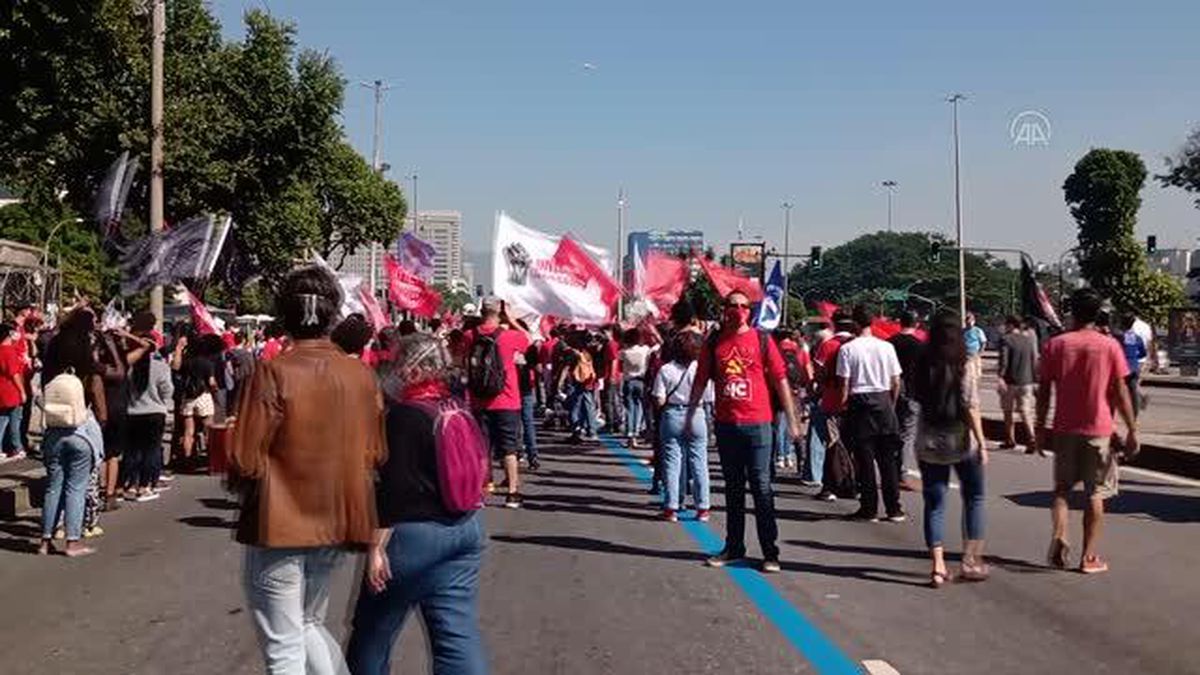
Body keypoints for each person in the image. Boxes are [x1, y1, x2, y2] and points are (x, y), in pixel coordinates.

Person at [230, 265, 386, 673]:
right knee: (308, 622)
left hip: (279, 522)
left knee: (284, 647)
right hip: (338, 518)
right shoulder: (361, 375)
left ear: (285, 315)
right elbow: (376, 452)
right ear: (332, 315)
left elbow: (245, 458)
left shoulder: (273, 371)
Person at [345, 333, 488, 675]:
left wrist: (376, 548)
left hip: (414, 536)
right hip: (466, 527)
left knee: (372, 633)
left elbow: (394, 490)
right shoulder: (454, 405)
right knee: (456, 633)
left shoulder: (405, 416)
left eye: (398, 363)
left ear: (413, 369)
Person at [689, 291, 800, 573]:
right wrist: (691, 414)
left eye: (744, 306)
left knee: (762, 488)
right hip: (727, 425)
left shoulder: (762, 340)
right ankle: (734, 547)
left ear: (749, 311)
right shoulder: (714, 342)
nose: (738, 310)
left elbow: (780, 380)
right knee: (733, 489)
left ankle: (770, 552)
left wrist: (793, 419)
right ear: (724, 309)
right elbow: (701, 380)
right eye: (733, 305)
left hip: (759, 425)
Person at [1035, 288, 1137, 575]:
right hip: (1099, 430)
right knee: (1095, 494)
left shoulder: (1056, 345)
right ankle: (1088, 557)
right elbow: (1120, 391)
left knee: (1061, 491)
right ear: (1098, 315)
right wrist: (1132, 429)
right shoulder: (1109, 346)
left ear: (1072, 313)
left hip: (1065, 428)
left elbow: (1044, 392)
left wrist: (1040, 429)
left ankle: (1059, 535)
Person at [913, 313, 989, 588]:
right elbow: (970, 405)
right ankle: (970, 560)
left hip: (929, 440)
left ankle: (938, 566)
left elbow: (916, 396)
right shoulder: (964, 363)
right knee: (975, 497)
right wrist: (981, 441)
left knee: (934, 504)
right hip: (960, 440)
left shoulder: (922, 363)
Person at [37, 308, 107, 556]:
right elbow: (101, 381)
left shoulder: (53, 352)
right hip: (81, 426)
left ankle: (45, 540)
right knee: (76, 486)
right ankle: (73, 541)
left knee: (53, 486)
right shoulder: (86, 359)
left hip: (54, 427)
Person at [837, 304, 906, 523]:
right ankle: (894, 508)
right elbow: (896, 381)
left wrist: (842, 408)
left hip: (860, 405)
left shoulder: (848, 349)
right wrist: (891, 403)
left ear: (855, 324)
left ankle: (869, 508)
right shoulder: (886, 347)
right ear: (873, 322)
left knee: (865, 462)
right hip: (884, 402)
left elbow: (844, 385)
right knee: (888, 461)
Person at [466, 298, 530, 509]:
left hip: (478, 399)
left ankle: (481, 491)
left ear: (481, 311)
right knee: (509, 448)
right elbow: (528, 340)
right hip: (507, 399)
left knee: (482, 448)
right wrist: (511, 319)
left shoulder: (470, 335)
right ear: (500, 313)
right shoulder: (510, 336)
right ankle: (513, 492)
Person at [653, 332, 713, 522]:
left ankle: (671, 507)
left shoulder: (666, 370)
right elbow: (710, 397)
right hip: (697, 414)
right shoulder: (703, 369)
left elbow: (659, 398)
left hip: (673, 414)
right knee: (699, 462)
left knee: (672, 462)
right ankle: (703, 507)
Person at [121, 313, 173, 502]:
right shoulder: (160, 367)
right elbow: (168, 391)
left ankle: (129, 485)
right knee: (151, 450)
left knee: (132, 451)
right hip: (154, 412)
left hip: (132, 412)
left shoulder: (129, 367)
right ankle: (145, 486)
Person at [808, 315, 853, 499]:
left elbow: (818, 373)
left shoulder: (828, 345)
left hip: (831, 400)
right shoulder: (856, 345)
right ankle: (850, 484)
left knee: (832, 445)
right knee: (850, 445)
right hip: (855, 403)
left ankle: (830, 487)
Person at [998, 316, 1039, 452]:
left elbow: (1004, 361)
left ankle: (1010, 439)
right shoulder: (1028, 340)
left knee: (1008, 411)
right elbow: (1034, 359)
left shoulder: (1006, 339)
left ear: (1010, 325)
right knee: (1025, 411)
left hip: (1010, 381)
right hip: (1026, 381)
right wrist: (1034, 379)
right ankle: (1032, 438)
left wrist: (1001, 377)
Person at [773, 329, 811, 472]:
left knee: (778, 425)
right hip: (795, 392)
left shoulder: (775, 349)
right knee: (792, 424)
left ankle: (780, 456)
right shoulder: (800, 350)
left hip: (778, 391)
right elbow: (808, 371)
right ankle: (790, 455)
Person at [619, 328, 654, 448]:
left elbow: (619, 364)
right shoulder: (645, 350)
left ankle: (630, 436)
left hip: (628, 381)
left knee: (629, 408)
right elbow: (655, 349)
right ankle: (636, 433)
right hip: (641, 381)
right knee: (639, 408)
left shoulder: (624, 352)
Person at [514, 319, 541, 471]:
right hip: (526, 388)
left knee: (516, 423)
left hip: (512, 389)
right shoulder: (530, 348)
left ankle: (518, 453)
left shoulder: (509, 346)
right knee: (528, 422)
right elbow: (538, 369)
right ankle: (533, 455)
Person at [0, 324, 28, 461]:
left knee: (3, 419)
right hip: (12, 391)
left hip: (2, 390)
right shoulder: (8, 351)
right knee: (15, 421)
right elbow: (14, 373)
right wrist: (22, 391)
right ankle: (17, 447)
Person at [1119, 314, 1148, 417]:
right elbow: (1143, 353)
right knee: (1133, 391)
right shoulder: (1137, 337)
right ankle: (1134, 417)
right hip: (1134, 367)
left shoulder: (1119, 337)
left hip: (1121, 368)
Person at [962, 312, 988, 395]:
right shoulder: (963, 331)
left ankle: (975, 388)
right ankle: (967, 387)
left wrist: (980, 352)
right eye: (967, 321)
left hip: (975, 354)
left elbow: (983, 342)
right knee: (967, 374)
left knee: (977, 374)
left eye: (971, 321)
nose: (969, 323)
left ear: (974, 321)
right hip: (965, 355)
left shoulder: (977, 331)